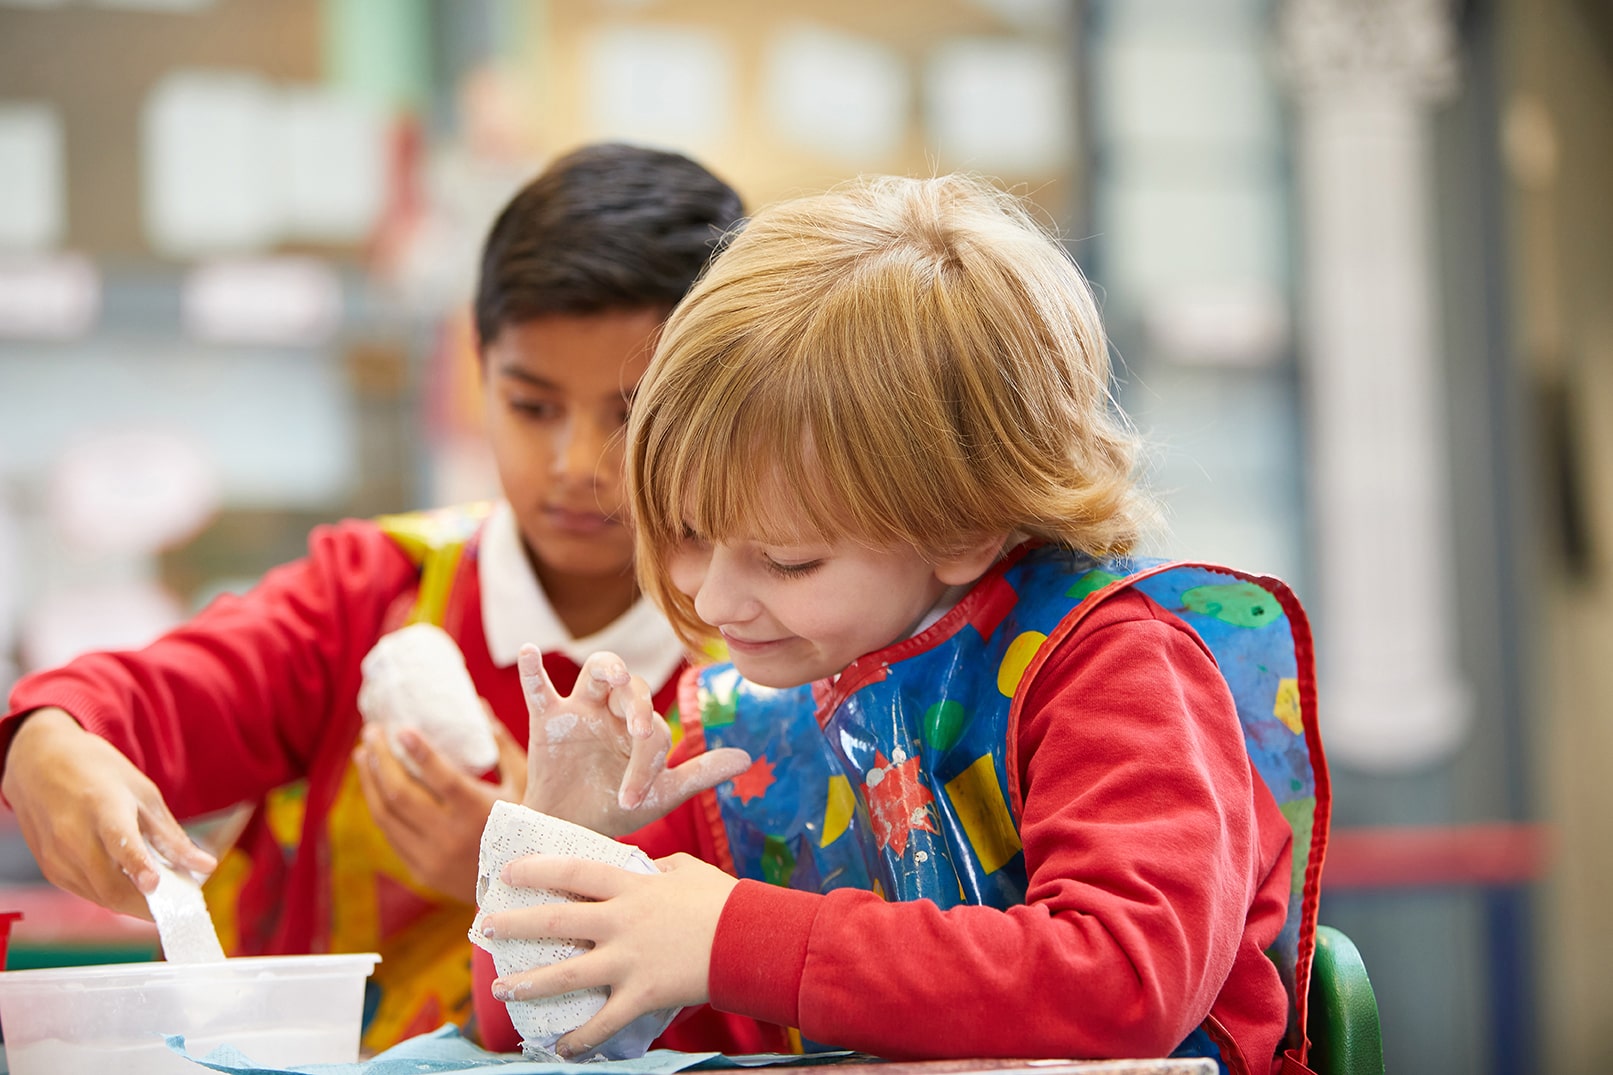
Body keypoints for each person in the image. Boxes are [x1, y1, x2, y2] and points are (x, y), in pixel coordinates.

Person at [472, 174, 1328, 1074]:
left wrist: (739, 938)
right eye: (687, 535)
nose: (716, 603)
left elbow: (1123, 979)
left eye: (787, 560)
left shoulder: (1112, 667)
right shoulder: (743, 722)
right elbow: (536, 1029)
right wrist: (562, 834)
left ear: (962, 523)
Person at [0, 142, 774, 1054]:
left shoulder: (771, 652)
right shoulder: (370, 597)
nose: (575, 463)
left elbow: (780, 994)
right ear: (473, 368)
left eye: (631, 412)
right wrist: (48, 741)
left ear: (726, 401)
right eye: (531, 406)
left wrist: (540, 881)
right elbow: (141, 702)